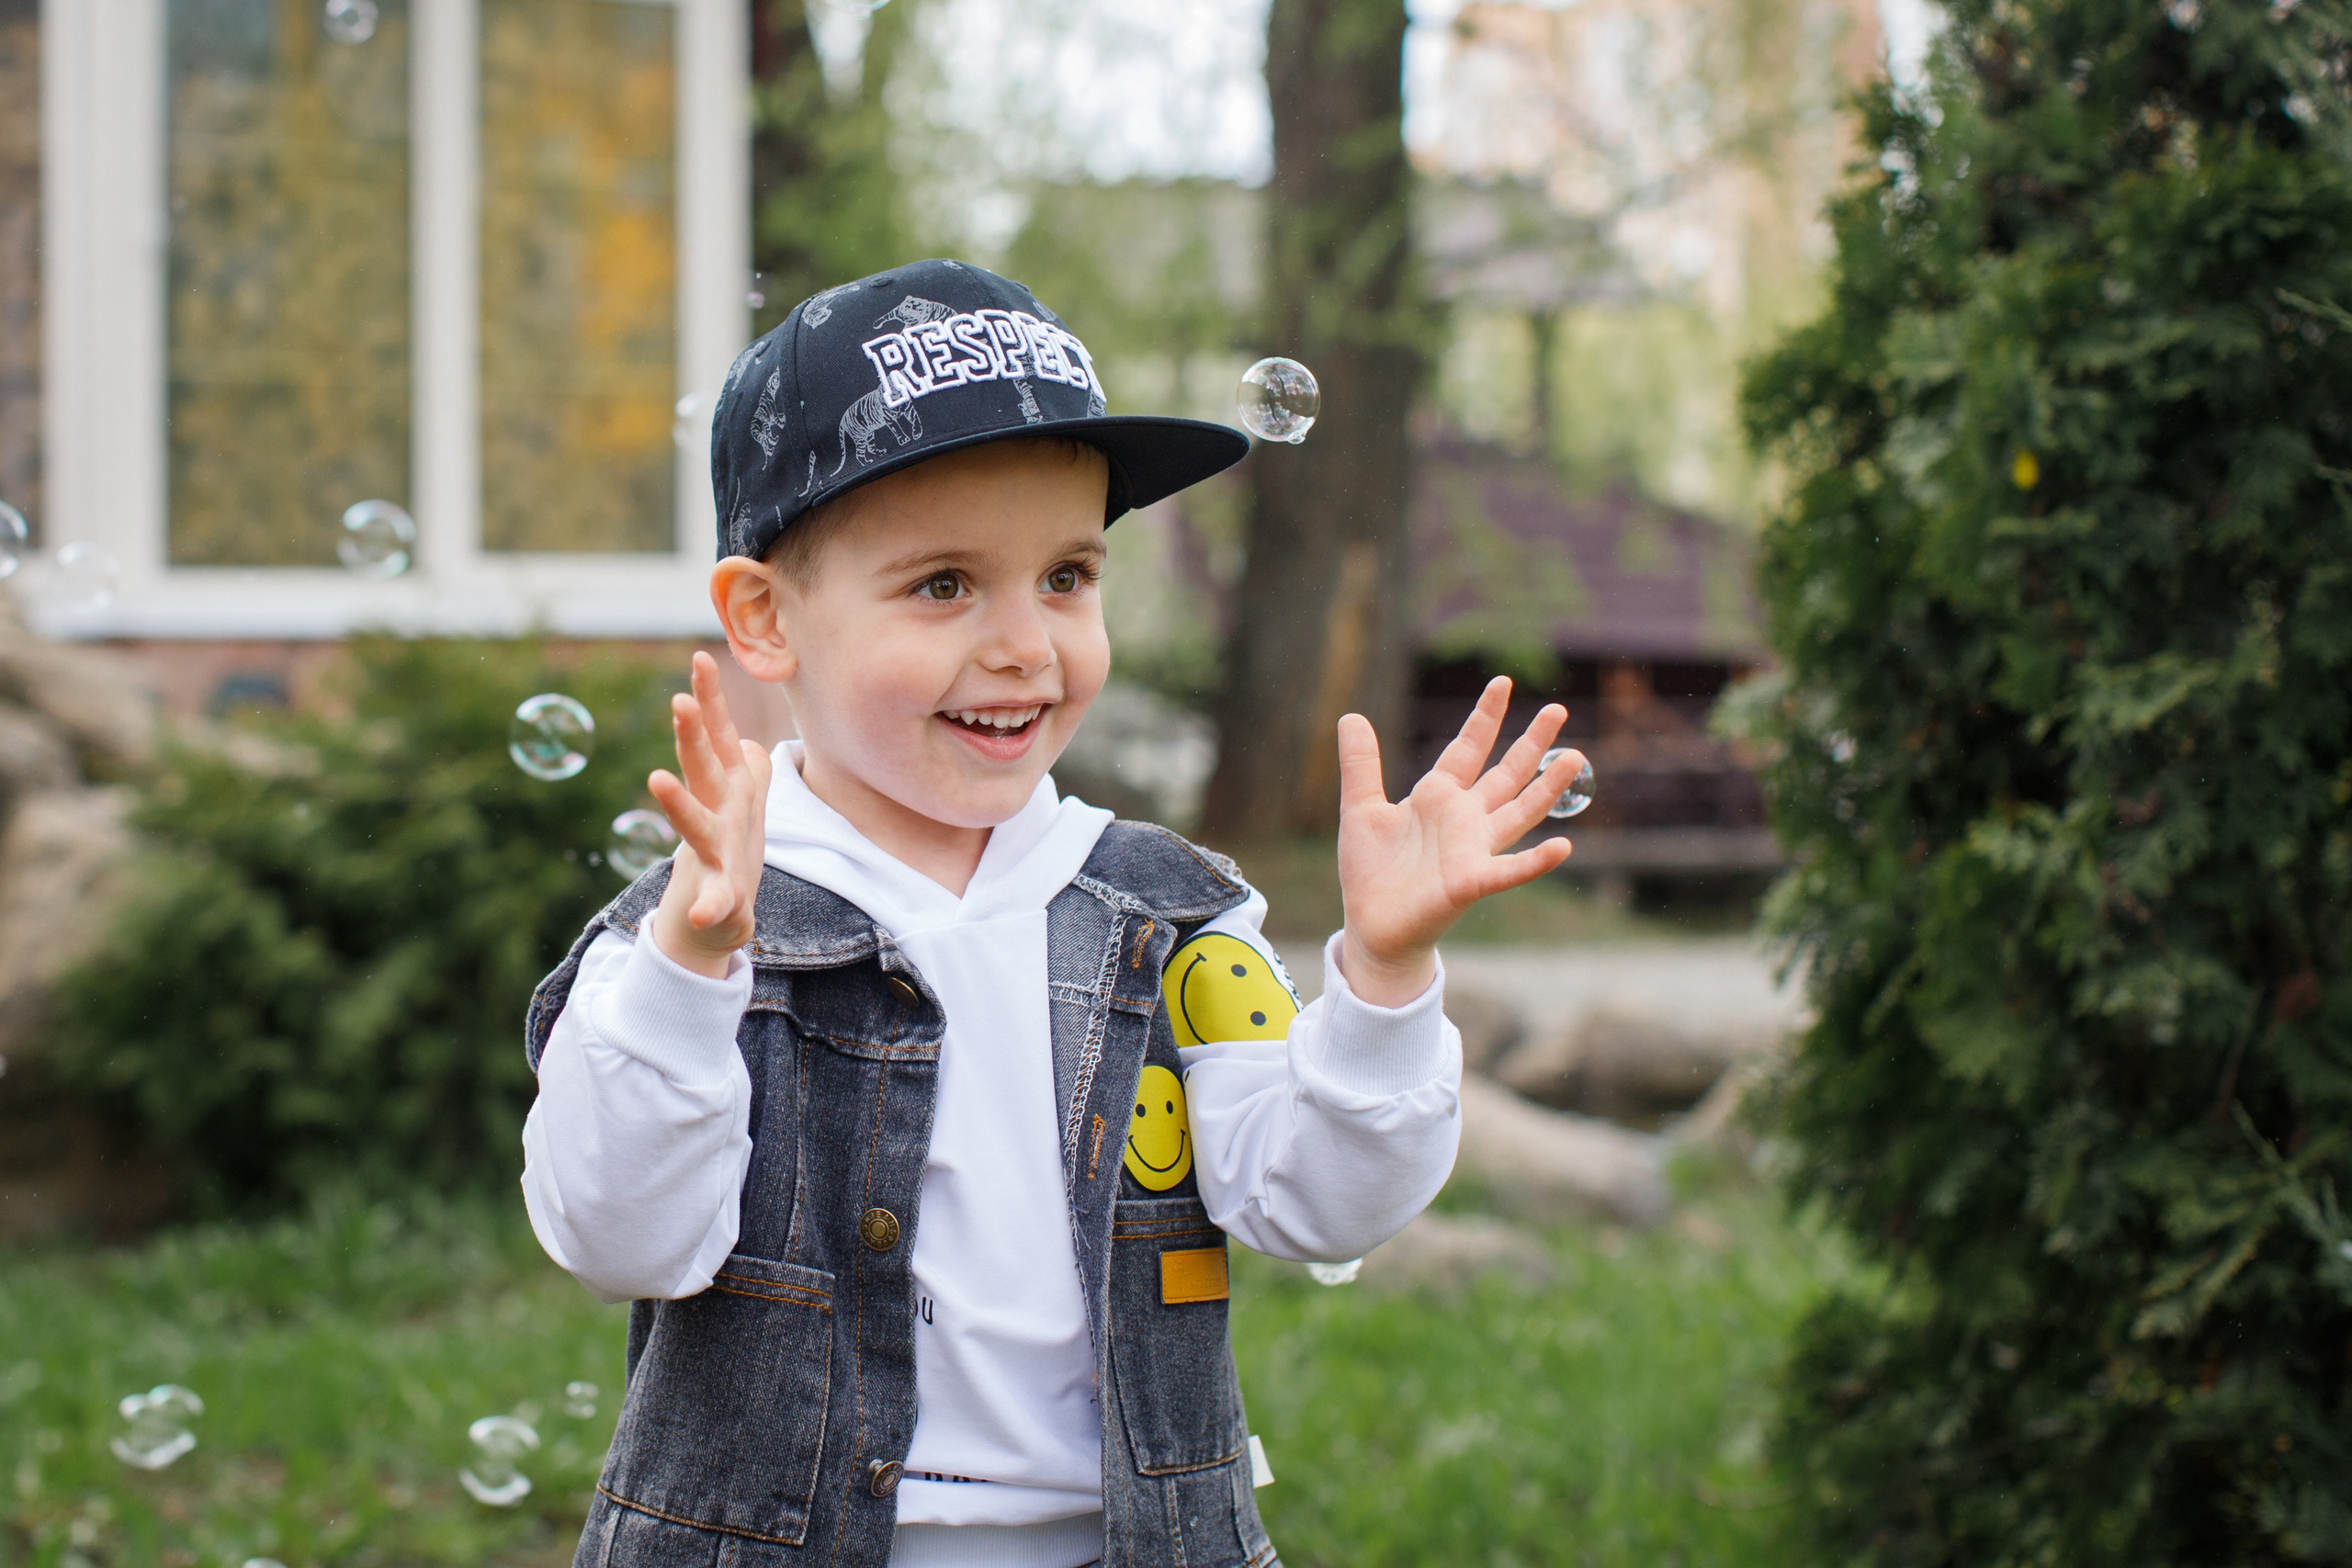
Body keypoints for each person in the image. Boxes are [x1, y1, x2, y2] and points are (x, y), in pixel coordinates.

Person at [519, 259, 1585, 1568]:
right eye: (945, 586)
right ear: (765, 617)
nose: (1028, 644)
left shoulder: (1170, 923)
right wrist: (690, 975)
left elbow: (1320, 1205)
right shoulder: (693, 933)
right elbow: (619, 1238)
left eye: (1069, 576)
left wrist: (1380, 980)